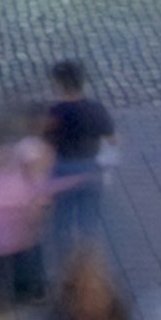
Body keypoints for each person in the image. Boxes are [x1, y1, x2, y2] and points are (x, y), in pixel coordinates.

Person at [42, 60, 115, 263]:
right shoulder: (96, 109)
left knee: (62, 220)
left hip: (63, 169)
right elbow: (112, 140)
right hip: (91, 169)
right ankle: (88, 263)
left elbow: (45, 142)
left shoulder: (55, 112)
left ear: (58, 83)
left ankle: (66, 263)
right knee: (89, 221)